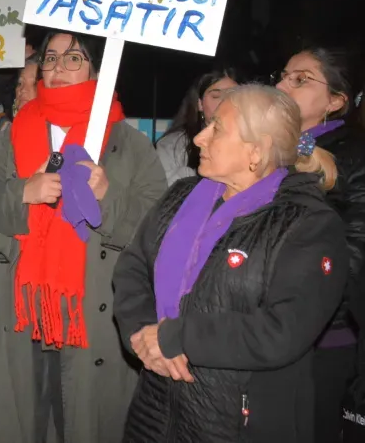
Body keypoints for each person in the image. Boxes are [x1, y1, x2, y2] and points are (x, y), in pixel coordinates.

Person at [113, 84, 349, 442]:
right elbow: (133, 268)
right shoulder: (180, 198)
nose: (199, 138)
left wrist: (177, 336)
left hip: (238, 424)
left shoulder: (307, 224)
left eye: (217, 129)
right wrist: (143, 336)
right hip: (155, 411)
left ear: (256, 151)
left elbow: (284, 330)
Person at [0, 30, 167, 443]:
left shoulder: (130, 143)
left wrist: (107, 196)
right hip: (20, 313)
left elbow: (156, 231)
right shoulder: (13, 133)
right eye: (50, 58)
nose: (58, 67)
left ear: (97, 69)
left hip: (91, 319)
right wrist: (23, 192)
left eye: (73, 58)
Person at [274, 46, 365, 441]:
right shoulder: (273, 149)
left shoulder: (354, 154)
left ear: (335, 101)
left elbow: (355, 248)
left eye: (300, 79)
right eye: (282, 76)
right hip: (267, 329)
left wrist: (310, 308)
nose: (282, 85)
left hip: (322, 335)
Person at [156, 67, 240, 185]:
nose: (225, 102)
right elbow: (162, 191)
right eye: (216, 96)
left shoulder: (253, 142)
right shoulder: (173, 146)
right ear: (200, 104)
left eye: (233, 95)